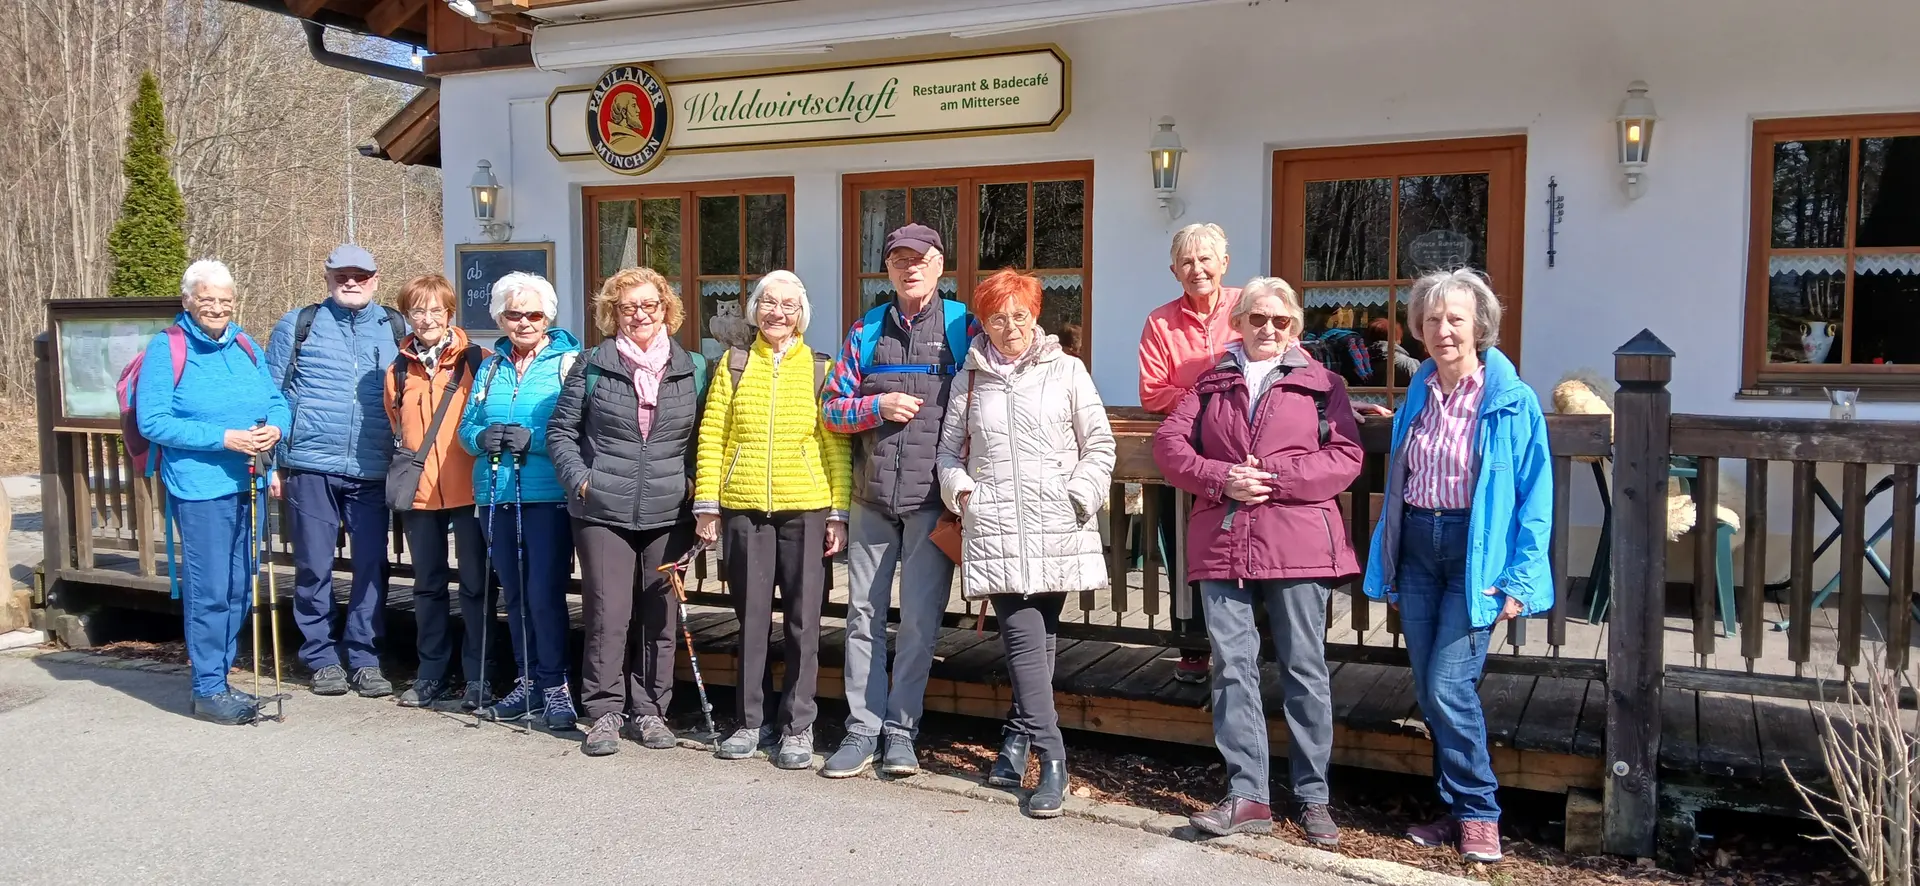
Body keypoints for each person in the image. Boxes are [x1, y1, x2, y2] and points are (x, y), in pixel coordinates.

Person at [1152, 277, 1364, 846]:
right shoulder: (1210, 382)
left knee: (1304, 668)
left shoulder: (1323, 385)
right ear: (1239, 321)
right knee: (1231, 666)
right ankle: (1247, 795)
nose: (1268, 328)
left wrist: (1274, 478)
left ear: (1295, 327)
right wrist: (1221, 477)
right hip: (1224, 542)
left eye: (1281, 320)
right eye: (1258, 318)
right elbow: (1170, 446)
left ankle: (1313, 796)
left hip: (1299, 544)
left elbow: (1345, 456)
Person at [1362, 268, 1553, 865]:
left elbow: (1535, 494)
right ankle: (1453, 806)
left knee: (1449, 685)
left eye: (1455, 319)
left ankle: (1479, 812)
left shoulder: (1512, 400)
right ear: (1418, 329)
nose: (1443, 330)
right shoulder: (1420, 390)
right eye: (1432, 320)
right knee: (1430, 686)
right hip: (1419, 547)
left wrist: (1521, 578)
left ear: (1480, 326)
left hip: (1478, 555)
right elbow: (1410, 466)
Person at [935, 269, 1114, 819]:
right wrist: (964, 494)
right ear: (982, 323)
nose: (1009, 326)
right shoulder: (970, 378)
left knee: (1042, 638)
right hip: (996, 527)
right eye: (997, 318)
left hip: (1056, 523)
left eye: (1019, 315)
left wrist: (1078, 497)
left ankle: (1016, 738)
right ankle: (1053, 758)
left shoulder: (1068, 370)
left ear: (1035, 316)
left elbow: (1099, 444)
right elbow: (948, 454)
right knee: (1022, 638)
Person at [819, 223, 981, 779]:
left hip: (932, 501)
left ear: (940, 266)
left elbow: (986, 401)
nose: (910, 268)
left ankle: (901, 732)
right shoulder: (865, 329)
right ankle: (862, 728)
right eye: (898, 260)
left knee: (918, 621)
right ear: (886, 269)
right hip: (871, 498)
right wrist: (876, 406)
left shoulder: (963, 327)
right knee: (862, 615)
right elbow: (831, 408)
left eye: (920, 258)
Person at [693, 270, 848, 769]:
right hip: (744, 509)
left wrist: (838, 513)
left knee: (804, 622)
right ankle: (749, 722)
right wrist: (707, 504)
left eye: (788, 305)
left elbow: (835, 445)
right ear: (755, 309)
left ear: (801, 315)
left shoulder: (820, 368)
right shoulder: (734, 363)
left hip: (806, 507)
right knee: (752, 620)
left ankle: (798, 726)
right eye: (768, 303)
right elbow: (713, 435)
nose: (777, 313)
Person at [548, 267, 706, 757]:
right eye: (628, 307)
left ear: (666, 309)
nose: (639, 314)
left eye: (649, 305)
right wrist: (582, 480)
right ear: (612, 313)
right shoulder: (592, 364)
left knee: (660, 617)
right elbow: (561, 432)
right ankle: (604, 712)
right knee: (607, 614)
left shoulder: (693, 367)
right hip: (601, 510)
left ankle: (651, 711)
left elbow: (704, 437)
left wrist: (691, 484)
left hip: (669, 511)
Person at [137, 260, 290, 725]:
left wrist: (275, 429)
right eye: (207, 300)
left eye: (225, 300)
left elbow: (276, 400)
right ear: (188, 301)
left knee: (240, 585)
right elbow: (153, 421)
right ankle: (207, 688)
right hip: (200, 488)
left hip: (250, 482)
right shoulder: (167, 348)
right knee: (211, 591)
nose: (217, 308)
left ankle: (219, 678)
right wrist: (224, 438)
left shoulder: (245, 344)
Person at [266, 244, 406, 698]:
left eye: (360, 276)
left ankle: (365, 658)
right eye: (342, 275)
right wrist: (271, 463)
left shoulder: (396, 328)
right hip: (309, 465)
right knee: (313, 565)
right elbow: (272, 395)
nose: (351, 283)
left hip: (372, 467)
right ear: (327, 278)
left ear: (375, 280)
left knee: (371, 566)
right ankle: (321, 657)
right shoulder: (298, 325)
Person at [458, 272, 583, 732]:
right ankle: (527, 681)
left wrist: (537, 441)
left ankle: (555, 685)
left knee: (544, 594)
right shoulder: (491, 368)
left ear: (548, 317)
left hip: (548, 496)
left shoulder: (568, 363)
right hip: (496, 495)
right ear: (500, 318)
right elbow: (466, 427)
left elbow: (582, 430)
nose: (524, 322)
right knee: (514, 595)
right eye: (514, 314)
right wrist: (481, 437)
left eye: (533, 314)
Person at [1137, 223, 1241, 685]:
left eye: (1205, 259)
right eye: (1187, 261)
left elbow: (1287, 361)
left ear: (1224, 263)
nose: (1197, 269)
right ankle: (1193, 647)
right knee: (1184, 549)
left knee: (1245, 545)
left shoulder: (1249, 307)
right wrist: (1212, 398)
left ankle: (1250, 646)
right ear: (1174, 271)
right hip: (1188, 454)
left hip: (1244, 448)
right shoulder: (1160, 322)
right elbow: (1152, 392)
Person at [382, 274, 489, 711]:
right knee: (427, 586)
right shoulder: (397, 369)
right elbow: (397, 423)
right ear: (407, 316)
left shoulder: (476, 360)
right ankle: (431, 675)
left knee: (477, 587)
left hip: (470, 491)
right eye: (417, 311)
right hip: (421, 493)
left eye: (435, 310)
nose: (426, 319)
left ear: (449, 313)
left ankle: (479, 676)